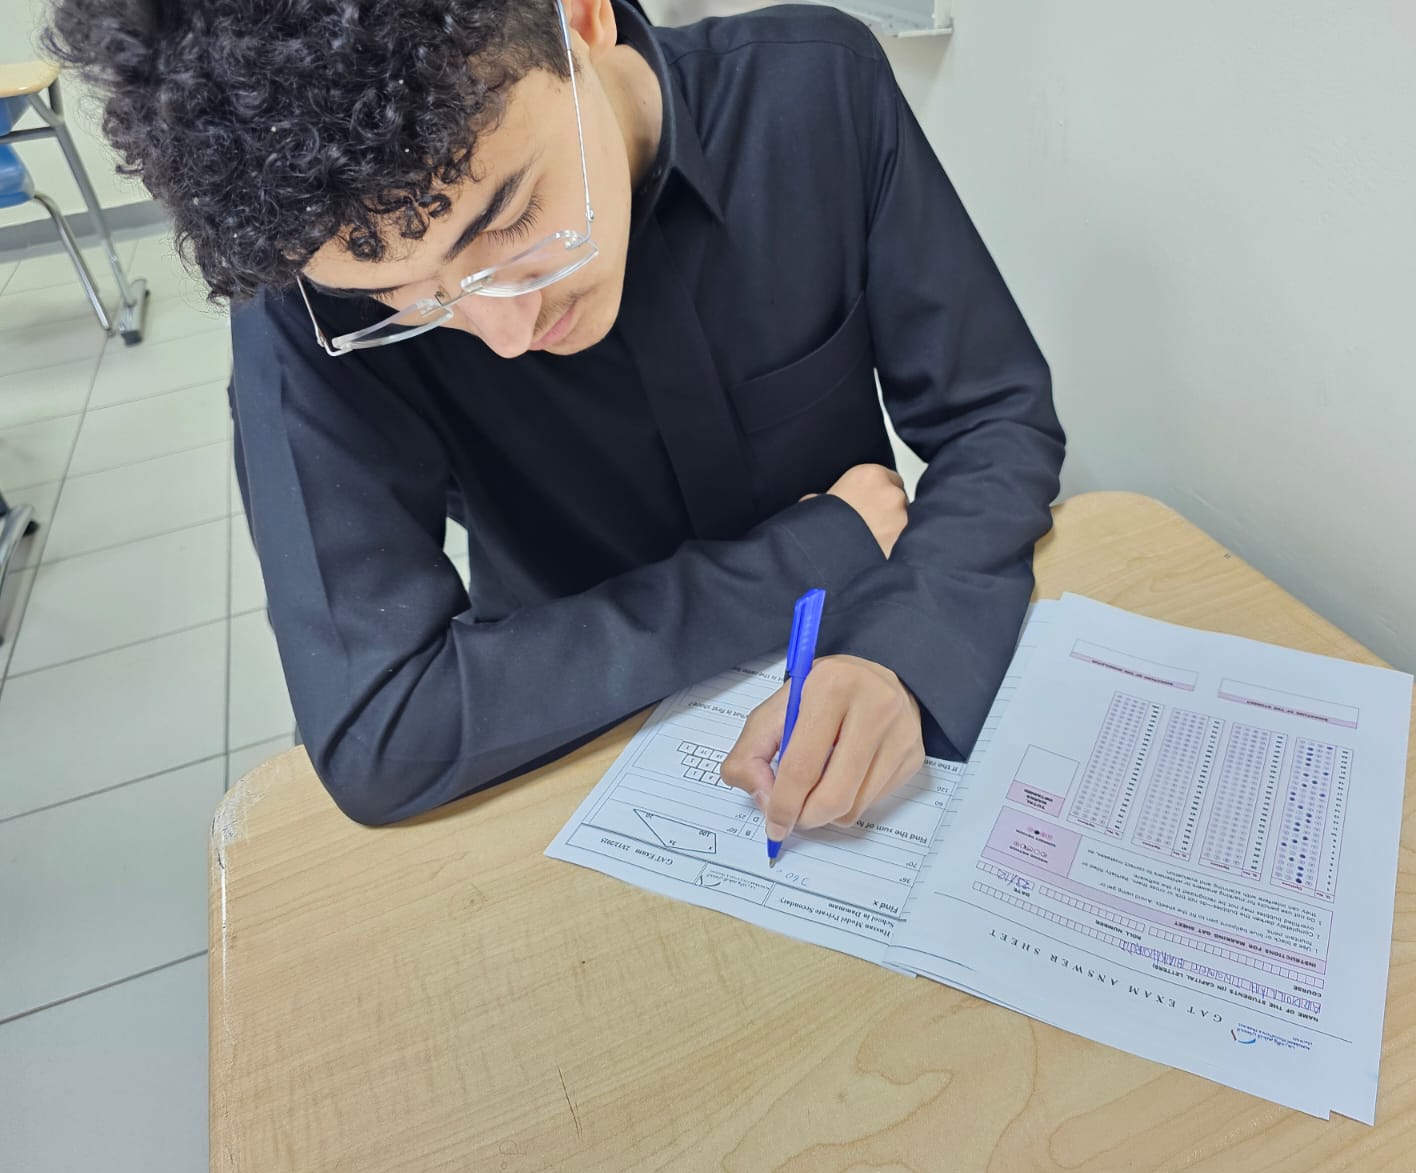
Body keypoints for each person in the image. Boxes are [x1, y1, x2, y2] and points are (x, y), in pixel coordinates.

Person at [46, 0, 1065, 834]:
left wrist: (903, 653)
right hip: (566, 740)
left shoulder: (816, 92)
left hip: (863, 640)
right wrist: (803, 557)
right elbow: (381, 732)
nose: (504, 328)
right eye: (404, 298)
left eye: (509, 218)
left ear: (578, 19)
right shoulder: (308, 300)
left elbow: (995, 417)